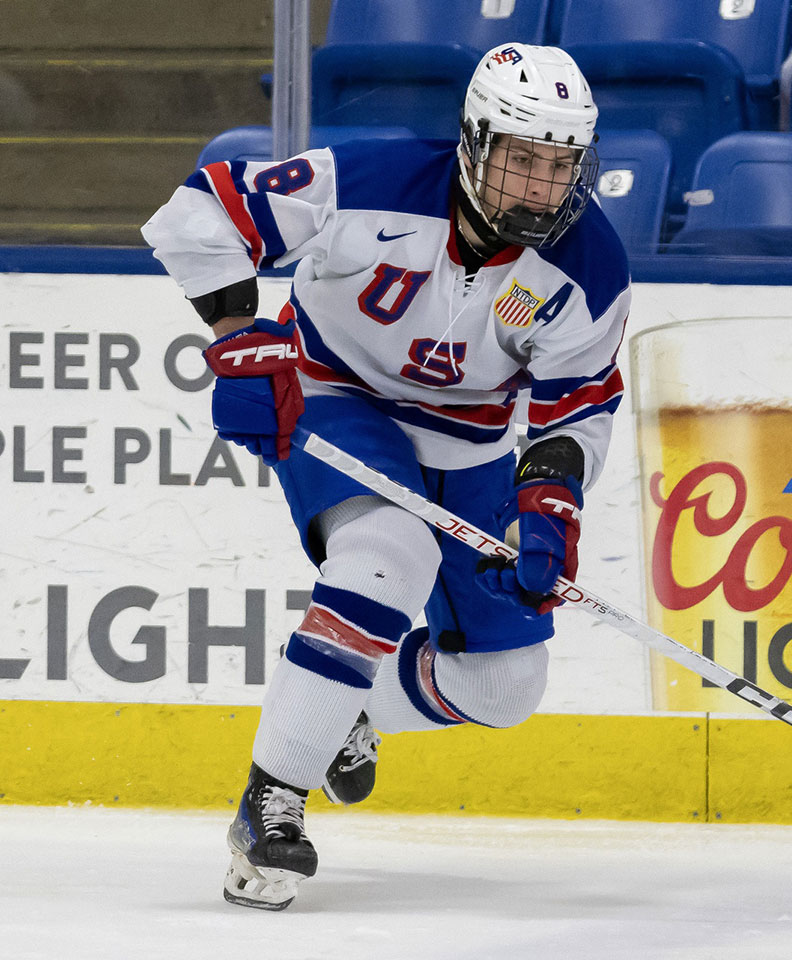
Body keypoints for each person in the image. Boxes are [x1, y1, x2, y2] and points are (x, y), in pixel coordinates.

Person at [141, 42, 630, 910]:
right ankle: (271, 802)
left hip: (473, 447)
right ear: (474, 143)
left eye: (560, 167)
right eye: (522, 159)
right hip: (337, 397)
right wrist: (238, 337)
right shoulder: (370, 180)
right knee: (385, 556)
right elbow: (200, 212)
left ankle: (347, 710)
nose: (540, 188)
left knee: (505, 686)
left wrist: (549, 508)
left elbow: (575, 410)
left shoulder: (587, 265)